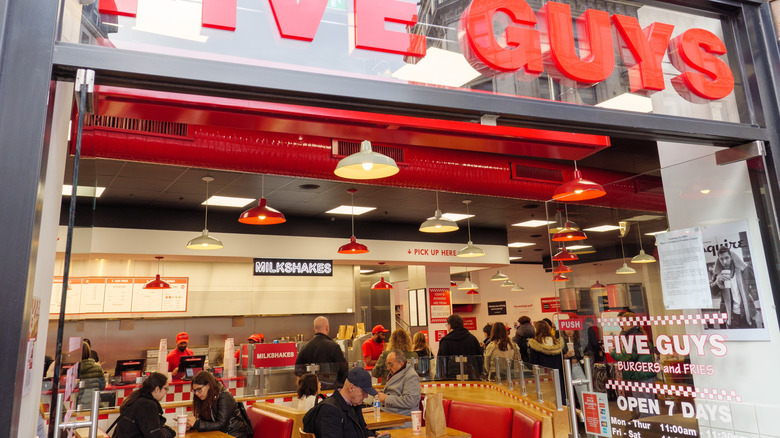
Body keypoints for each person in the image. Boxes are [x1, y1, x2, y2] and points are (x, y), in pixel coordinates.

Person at [305, 367, 387, 438]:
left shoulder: (354, 405)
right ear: (351, 388)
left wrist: (371, 436)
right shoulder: (330, 410)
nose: (366, 396)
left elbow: (363, 431)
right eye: (364, 392)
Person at [610, 312, 657, 418]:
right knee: (645, 404)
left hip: (640, 374)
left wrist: (612, 352)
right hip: (642, 373)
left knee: (644, 406)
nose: (621, 325)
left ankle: (648, 429)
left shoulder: (632, 337)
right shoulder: (637, 335)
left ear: (630, 323)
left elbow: (626, 356)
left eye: (623, 322)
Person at [187, 371, 251, 438]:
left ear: (208, 385)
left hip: (234, 434)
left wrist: (197, 424)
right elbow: (204, 421)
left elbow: (221, 424)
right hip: (218, 434)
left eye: (199, 389)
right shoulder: (204, 397)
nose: (196, 393)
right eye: (194, 390)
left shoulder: (224, 396)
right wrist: (191, 426)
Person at [112, 372, 175, 438]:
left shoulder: (137, 399)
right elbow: (155, 435)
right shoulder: (148, 405)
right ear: (157, 389)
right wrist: (170, 431)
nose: (166, 393)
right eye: (166, 389)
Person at [710, 246, 758, 328]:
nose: (724, 261)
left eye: (727, 258)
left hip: (747, 312)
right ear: (718, 259)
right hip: (732, 316)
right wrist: (717, 282)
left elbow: (756, 284)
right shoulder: (718, 274)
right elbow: (712, 293)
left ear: (731, 257)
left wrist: (752, 296)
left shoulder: (743, 270)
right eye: (721, 259)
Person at [295, 316, 348, 389]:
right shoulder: (334, 346)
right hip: (330, 390)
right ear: (327, 327)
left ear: (314, 329)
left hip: (311, 391)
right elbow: (344, 370)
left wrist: (310, 384)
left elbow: (298, 370)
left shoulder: (305, 347)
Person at [375, 350, 421, 417]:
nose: (388, 368)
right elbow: (392, 394)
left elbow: (409, 401)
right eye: (387, 364)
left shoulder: (411, 376)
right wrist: (380, 393)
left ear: (401, 363)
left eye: (390, 364)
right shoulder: (395, 373)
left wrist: (386, 398)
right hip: (388, 414)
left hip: (402, 418)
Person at [528, 320, 565, 403]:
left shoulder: (535, 344)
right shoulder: (556, 343)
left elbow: (533, 362)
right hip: (557, 374)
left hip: (543, 376)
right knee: (559, 396)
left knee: (546, 400)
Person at [437, 314, 483, 379]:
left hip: (451, 378)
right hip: (471, 376)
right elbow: (480, 359)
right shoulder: (472, 339)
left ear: (450, 326)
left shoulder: (445, 341)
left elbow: (441, 363)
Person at [561, 328, 586, 409]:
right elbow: (558, 357)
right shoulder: (561, 342)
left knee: (583, 390)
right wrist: (566, 356)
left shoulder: (579, 341)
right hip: (567, 367)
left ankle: (584, 411)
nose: (568, 331)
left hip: (578, 366)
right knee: (569, 392)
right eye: (566, 329)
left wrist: (584, 356)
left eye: (571, 329)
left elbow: (585, 352)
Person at [77, 341, 105, 409]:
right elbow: (102, 385)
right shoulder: (97, 367)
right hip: (95, 402)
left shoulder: (76, 368)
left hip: (81, 404)